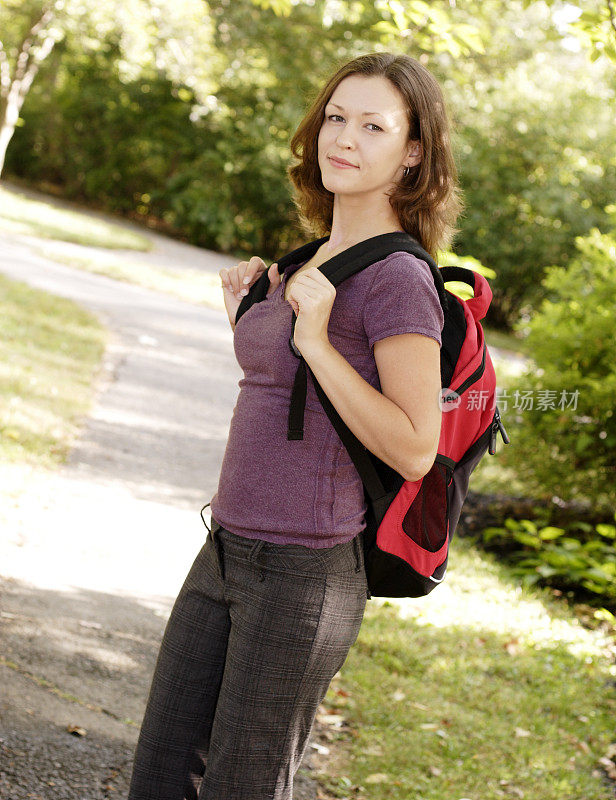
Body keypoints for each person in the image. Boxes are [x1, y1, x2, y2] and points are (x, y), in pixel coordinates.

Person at [127, 51, 462, 800]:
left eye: (374, 126)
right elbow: (288, 399)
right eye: (336, 117)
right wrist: (250, 320)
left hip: (304, 574)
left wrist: (313, 340)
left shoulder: (400, 279)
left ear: (412, 154)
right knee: (159, 772)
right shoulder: (310, 258)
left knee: (244, 784)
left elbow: (414, 448)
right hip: (224, 550)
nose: (344, 137)